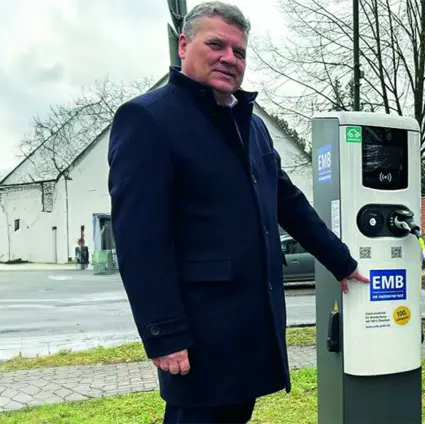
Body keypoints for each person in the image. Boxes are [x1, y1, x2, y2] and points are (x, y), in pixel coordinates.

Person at [106, 2, 367, 423]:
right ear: (184, 45)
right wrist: (163, 333)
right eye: (216, 45)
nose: (230, 58)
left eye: (240, 51)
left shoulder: (251, 125)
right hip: (196, 334)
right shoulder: (148, 119)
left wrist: (341, 261)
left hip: (249, 327)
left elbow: (287, 201)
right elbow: (140, 241)